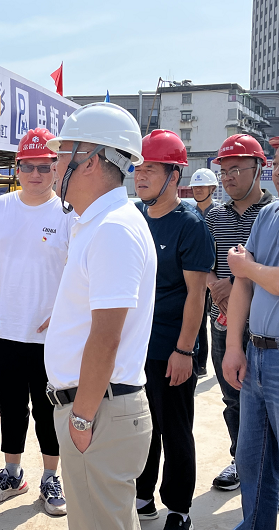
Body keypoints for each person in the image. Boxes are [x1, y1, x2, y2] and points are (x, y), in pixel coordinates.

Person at [44, 102, 156, 530]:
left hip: (98, 411)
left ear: (89, 160)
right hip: (99, 408)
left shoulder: (112, 229)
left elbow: (106, 337)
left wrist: (81, 417)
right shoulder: (99, 223)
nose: (54, 165)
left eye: (62, 153)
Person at [0, 128, 73, 516]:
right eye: (28, 167)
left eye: (44, 168)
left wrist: (64, 310)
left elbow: (79, 270)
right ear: (17, 169)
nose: (36, 175)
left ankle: (51, 477)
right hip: (6, 330)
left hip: (51, 335)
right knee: (11, 407)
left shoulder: (67, 213)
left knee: (49, 410)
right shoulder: (0, 209)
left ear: (55, 169)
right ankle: (13, 474)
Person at [133, 130, 214, 530]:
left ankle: (179, 508)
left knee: (175, 429)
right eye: (138, 168)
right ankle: (143, 495)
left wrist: (184, 351)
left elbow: (196, 295)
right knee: (141, 425)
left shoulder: (190, 226)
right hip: (137, 346)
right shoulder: (135, 216)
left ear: (174, 176)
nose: (140, 175)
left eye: (151, 168)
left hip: (172, 347)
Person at [205, 134, 274, 492]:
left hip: (264, 325)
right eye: (224, 171)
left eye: (236, 169)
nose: (228, 177)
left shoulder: (270, 214)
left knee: (267, 401)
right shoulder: (215, 216)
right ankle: (239, 459)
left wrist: (236, 284)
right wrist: (215, 286)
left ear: (259, 168)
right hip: (223, 321)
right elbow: (203, 263)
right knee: (232, 396)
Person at [223, 154, 279, 530]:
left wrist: (247, 267)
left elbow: (245, 271)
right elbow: (241, 284)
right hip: (257, 353)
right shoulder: (268, 214)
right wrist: (234, 347)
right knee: (251, 460)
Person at [190, 168, 220, 377]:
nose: (198, 190)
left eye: (202, 186)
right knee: (197, 317)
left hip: (214, 274)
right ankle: (199, 362)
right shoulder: (189, 213)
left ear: (212, 189)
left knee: (212, 319)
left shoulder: (219, 213)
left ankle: (206, 362)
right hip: (193, 272)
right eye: (195, 187)